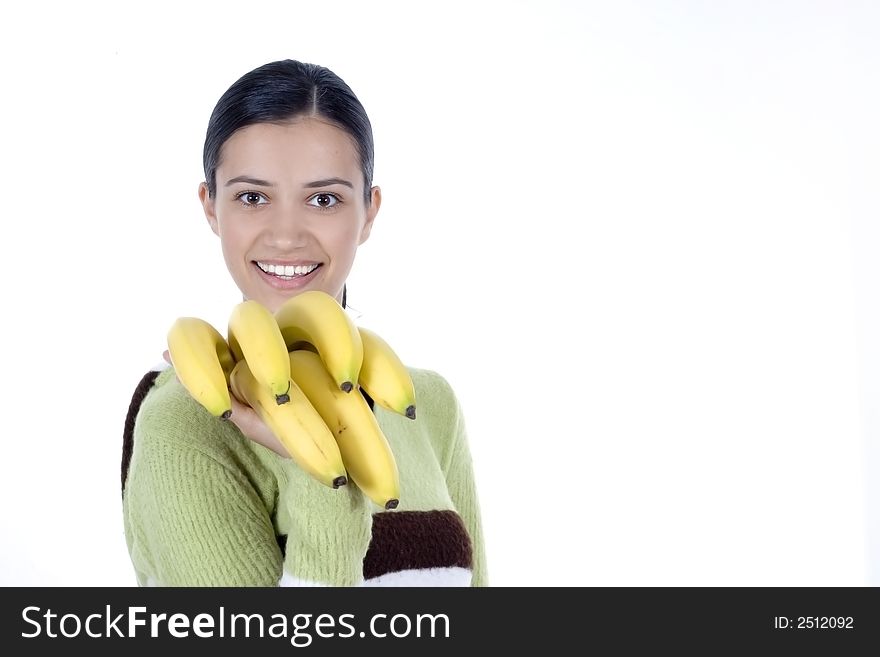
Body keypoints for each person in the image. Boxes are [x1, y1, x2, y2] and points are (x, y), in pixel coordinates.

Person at [121, 59, 488, 587]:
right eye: (252, 197)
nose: (287, 235)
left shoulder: (426, 404)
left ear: (369, 211)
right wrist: (323, 479)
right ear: (210, 208)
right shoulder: (188, 422)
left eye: (324, 199)